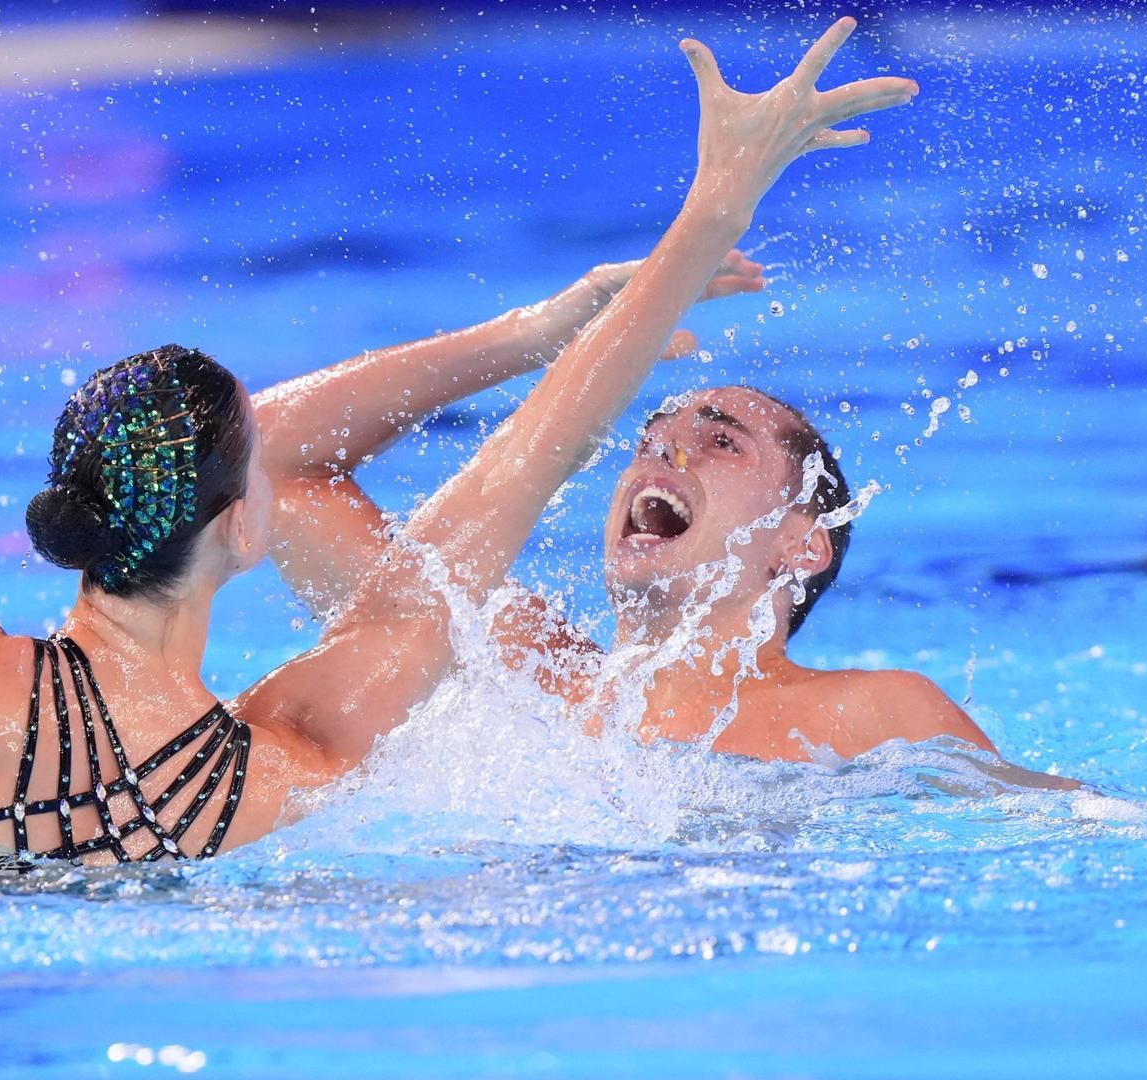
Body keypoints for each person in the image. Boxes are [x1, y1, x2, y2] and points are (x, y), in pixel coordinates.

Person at [0, 18, 924, 867]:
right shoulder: (276, 773)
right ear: (245, 527)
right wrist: (708, 209)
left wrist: (534, 328)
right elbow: (524, 465)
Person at [256, 58, 999, 768]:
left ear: (801, 546)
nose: (665, 455)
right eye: (650, 439)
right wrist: (531, 335)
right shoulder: (504, 657)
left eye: (721, 442)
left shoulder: (877, 716)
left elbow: (1073, 827)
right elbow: (267, 460)